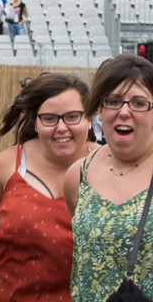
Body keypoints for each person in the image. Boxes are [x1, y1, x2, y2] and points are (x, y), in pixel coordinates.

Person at [0, 73, 97, 301]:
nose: (62, 127)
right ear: (35, 121)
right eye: (50, 118)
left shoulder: (109, 166)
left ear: (90, 118)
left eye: (72, 117)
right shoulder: (8, 164)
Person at [64, 54, 153, 301]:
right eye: (113, 101)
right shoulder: (78, 176)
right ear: (99, 111)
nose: (124, 112)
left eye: (139, 103)